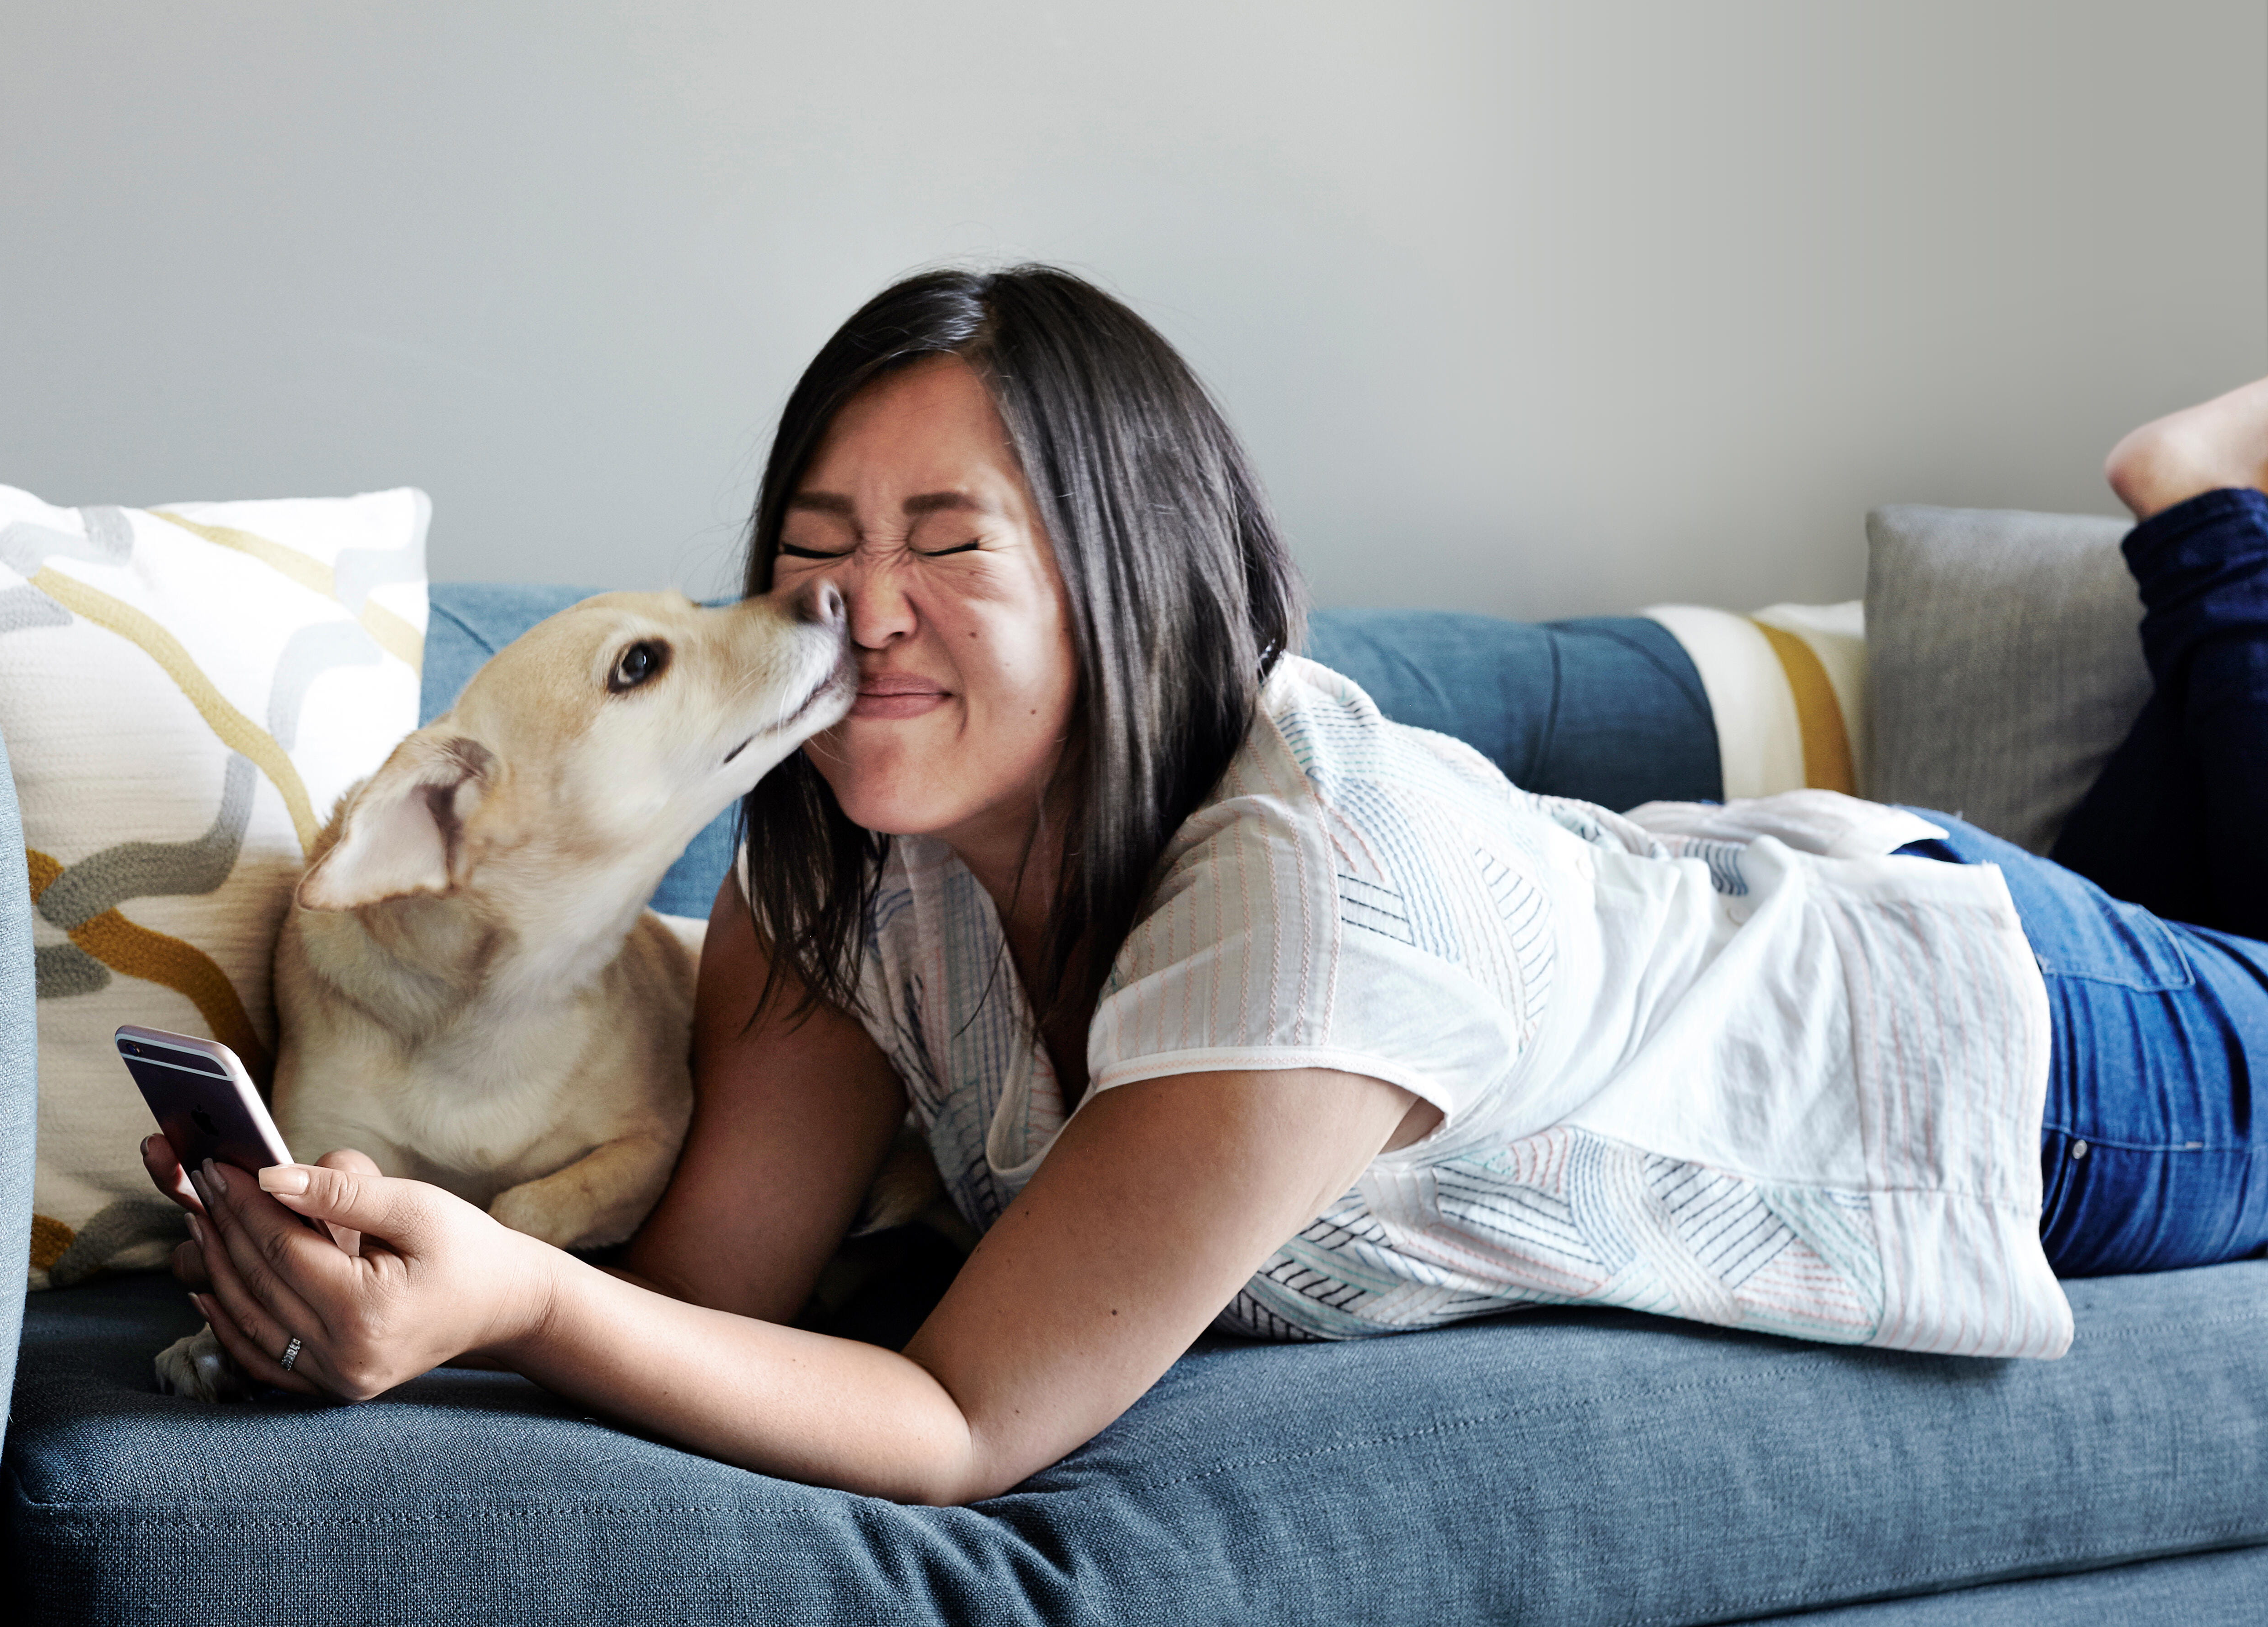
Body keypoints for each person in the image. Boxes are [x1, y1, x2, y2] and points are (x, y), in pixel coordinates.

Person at [145, 268, 2268, 1505]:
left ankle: (2201, 522)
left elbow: (965, 1416)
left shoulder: (1309, 895)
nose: (856, 606)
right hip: (1713, 908)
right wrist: (391, 1276)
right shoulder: (833, 861)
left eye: (947, 541)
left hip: (1992, 1047)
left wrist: (511, 1293)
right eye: (817, 535)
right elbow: (711, 1305)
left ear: (1122, 569)